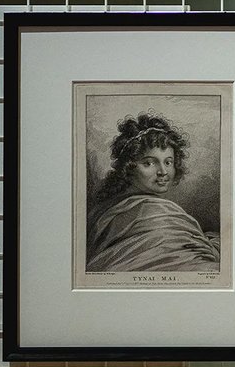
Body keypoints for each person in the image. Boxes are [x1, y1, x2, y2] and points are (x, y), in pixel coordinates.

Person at [86, 111, 220, 273]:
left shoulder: (116, 207)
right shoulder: (147, 210)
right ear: (129, 167)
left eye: (168, 162)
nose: (163, 171)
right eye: (149, 163)